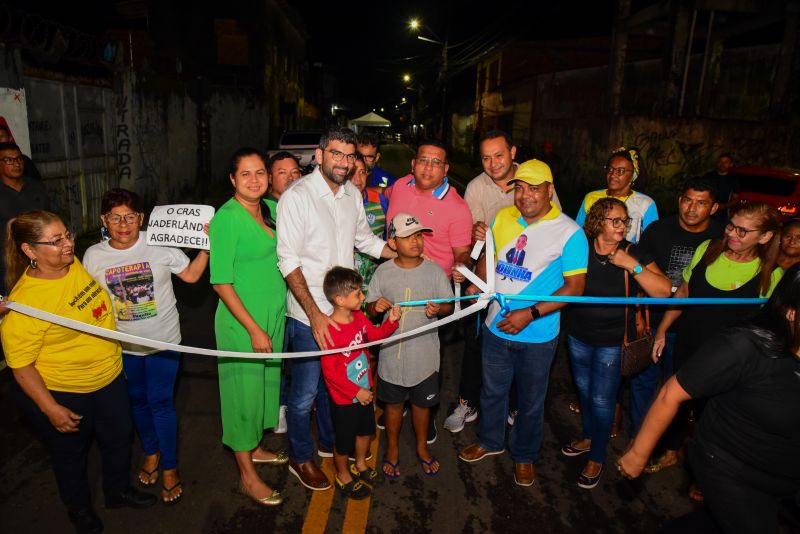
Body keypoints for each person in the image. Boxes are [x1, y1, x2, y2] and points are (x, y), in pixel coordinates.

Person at [1, 211, 156, 533]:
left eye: (67, 235)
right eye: (55, 241)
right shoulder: (25, 304)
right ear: (29, 251)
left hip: (109, 379)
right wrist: (51, 409)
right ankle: (79, 509)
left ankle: (117, 491)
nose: (67, 244)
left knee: (117, 440)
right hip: (68, 391)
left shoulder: (72, 266)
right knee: (70, 456)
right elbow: (21, 367)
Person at [618, 264, 800, 534]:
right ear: (791, 311)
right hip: (731, 470)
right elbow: (671, 392)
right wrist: (637, 453)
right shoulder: (745, 346)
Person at [276, 126, 394, 491]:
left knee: (337, 387)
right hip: (308, 315)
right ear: (321, 154)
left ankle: (331, 443)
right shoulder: (296, 197)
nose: (344, 163)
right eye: (337, 154)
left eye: (350, 156)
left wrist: (400, 253)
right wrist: (314, 315)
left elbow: (363, 239)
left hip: (347, 312)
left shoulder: (352, 195)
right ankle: (301, 457)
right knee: (306, 394)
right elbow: (288, 261)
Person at [458, 160, 588, 487]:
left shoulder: (570, 232)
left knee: (530, 400)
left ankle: (525, 455)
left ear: (550, 190)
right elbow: (492, 255)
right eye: (520, 187)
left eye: (534, 188)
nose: (525, 195)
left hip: (538, 334)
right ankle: (489, 441)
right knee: (492, 391)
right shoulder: (503, 218)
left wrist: (529, 314)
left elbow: (574, 288)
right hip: (494, 327)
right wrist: (480, 283)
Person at [83, 188, 210, 504]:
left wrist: (208, 247)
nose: (123, 224)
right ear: (104, 220)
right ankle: (150, 452)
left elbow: (192, 275)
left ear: (141, 219)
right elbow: (86, 301)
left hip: (164, 342)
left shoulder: (159, 245)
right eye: (115, 217)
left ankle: (169, 466)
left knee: (160, 402)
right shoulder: (94, 256)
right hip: (122, 347)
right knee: (137, 402)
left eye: (130, 216)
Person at [650, 201, 783, 500]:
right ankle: (671, 451)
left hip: (728, 365)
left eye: (743, 230)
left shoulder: (770, 276)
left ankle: (705, 475)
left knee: (714, 420)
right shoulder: (708, 249)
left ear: (764, 237)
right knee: (677, 404)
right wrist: (661, 330)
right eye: (730, 225)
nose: (733, 233)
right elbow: (684, 293)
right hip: (689, 346)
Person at [445, 131, 561, 434]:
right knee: (477, 342)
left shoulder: (535, 180)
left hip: (529, 283)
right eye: (485, 157)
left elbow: (555, 230)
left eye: (498, 155)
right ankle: (468, 401)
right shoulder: (475, 187)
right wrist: (476, 247)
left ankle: (514, 407)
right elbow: (479, 243)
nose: (492, 163)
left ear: (512, 152)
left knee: (522, 349)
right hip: (489, 278)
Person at [560, 198, 671, 489]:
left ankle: (597, 455)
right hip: (578, 335)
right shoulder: (579, 246)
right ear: (598, 222)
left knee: (601, 398)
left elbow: (663, 291)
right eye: (615, 220)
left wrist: (631, 265)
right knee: (584, 392)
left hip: (612, 340)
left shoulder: (634, 251)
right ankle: (589, 436)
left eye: (625, 221)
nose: (623, 226)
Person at [209, 147, 288, 507]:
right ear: (232, 179)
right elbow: (220, 283)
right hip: (244, 323)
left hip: (273, 316)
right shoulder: (227, 218)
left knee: (264, 389)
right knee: (242, 397)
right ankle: (246, 476)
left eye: (260, 172)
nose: (254, 180)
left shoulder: (271, 209)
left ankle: (255, 447)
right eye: (245, 174)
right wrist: (255, 330)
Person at [630, 177, 723, 470]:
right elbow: (638, 260)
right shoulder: (660, 229)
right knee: (642, 383)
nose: (691, 208)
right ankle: (639, 438)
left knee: (679, 389)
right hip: (653, 321)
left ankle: (670, 445)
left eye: (700, 202)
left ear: (714, 207)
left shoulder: (721, 237)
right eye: (687, 200)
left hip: (692, 330)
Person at [383, 138, 472, 444]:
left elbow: (462, 252)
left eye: (436, 162)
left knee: (426, 355)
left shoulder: (457, 207)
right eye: (423, 160)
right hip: (393, 280)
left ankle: (425, 410)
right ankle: (395, 403)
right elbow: (380, 199)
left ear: (446, 169)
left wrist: (462, 265)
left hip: (431, 291)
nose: (428, 167)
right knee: (391, 345)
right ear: (413, 163)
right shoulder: (399, 187)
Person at [366, 213, 454, 478]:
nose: (416, 241)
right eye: (408, 237)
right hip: (391, 357)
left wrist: (439, 309)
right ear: (393, 242)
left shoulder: (434, 270)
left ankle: (421, 448)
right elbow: (370, 307)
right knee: (392, 406)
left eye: (418, 235)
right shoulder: (383, 272)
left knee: (421, 406)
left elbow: (450, 306)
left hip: (424, 359)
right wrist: (375, 306)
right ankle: (392, 448)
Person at [320, 267, 400, 499]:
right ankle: (343, 473)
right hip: (345, 399)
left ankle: (361, 464)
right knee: (344, 442)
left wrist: (391, 323)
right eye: (358, 294)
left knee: (366, 431)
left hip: (365, 391)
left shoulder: (358, 317)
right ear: (340, 300)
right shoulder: (330, 332)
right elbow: (331, 374)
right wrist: (356, 391)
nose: (363, 297)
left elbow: (373, 337)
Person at [576, 146, 658, 243]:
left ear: (633, 175)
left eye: (620, 171)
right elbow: (578, 233)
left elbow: (653, 240)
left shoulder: (646, 204)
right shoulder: (591, 197)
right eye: (610, 169)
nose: (613, 174)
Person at [0, 141, 49, 292]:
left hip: (39, 257)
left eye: (19, 158)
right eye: (9, 160)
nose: (16, 163)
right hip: (6, 262)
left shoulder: (36, 187)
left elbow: (49, 218)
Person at [350, 153, 388, 290]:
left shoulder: (379, 200)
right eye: (352, 173)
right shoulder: (337, 204)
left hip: (376, 282)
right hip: (347, 285)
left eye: (362, 173)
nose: (357, 180)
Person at [703, 152, 740, 223]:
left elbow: (736, 200)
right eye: (720, 161)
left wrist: (723, 206)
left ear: (731, 165)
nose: (722, 164)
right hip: (706, 210)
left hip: (722, 214)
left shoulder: (733, 179)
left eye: (726, 162)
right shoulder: (708, 176)